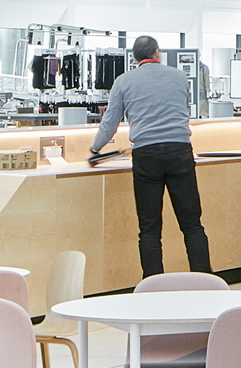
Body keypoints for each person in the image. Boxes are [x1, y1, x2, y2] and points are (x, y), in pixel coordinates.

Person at [88, 35, 206, 276]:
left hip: (146, 155)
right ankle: (205, 283)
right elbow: (182, 110)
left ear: (135, 58)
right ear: (157, 52)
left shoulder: (123, 81)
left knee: (150, 228)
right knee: (192, 225)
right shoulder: (179, 76)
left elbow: (110, 123)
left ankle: (153, 287)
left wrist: (95, 149)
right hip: (180, 151)